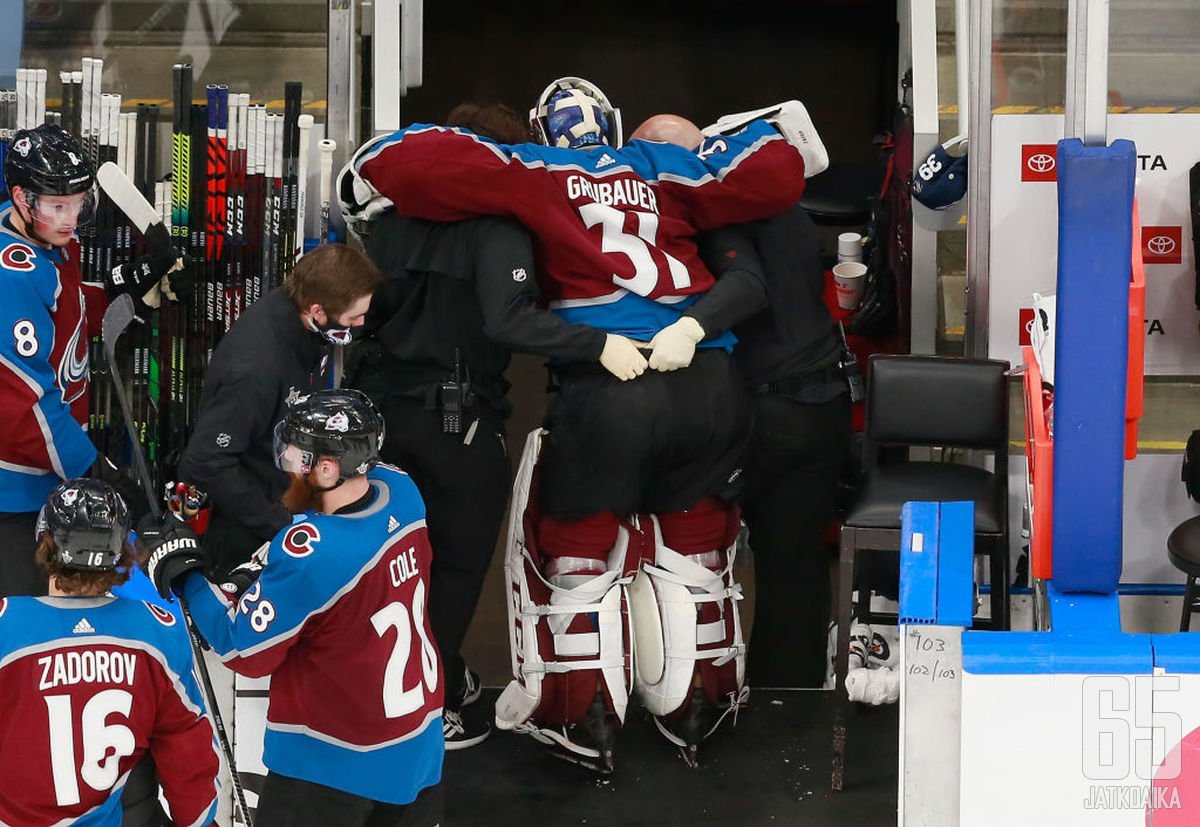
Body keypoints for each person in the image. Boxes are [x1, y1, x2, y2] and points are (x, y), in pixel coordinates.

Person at [340, 77, 825, 768]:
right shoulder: (667, 165)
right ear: (615, 122)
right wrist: (719, 139)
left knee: (572, 550)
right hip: (712, 383)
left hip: (609, 386)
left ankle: (579, 714)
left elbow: (398, 158)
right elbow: (779, 164)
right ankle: (700, 702)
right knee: (696, 545)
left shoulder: (532, 171)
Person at [348, 101, 648, 751]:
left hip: (374, 415)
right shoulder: (500, 229)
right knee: (453, 568)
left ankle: (397, 691)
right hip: (459, 423)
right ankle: (425, 708)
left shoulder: (386, 222)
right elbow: (507, 319)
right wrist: (600, 342)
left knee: (381, 565)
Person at [144, 389, 443, 826]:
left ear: (327, 468)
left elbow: (240, 649)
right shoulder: (401, 491)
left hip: (333, 763)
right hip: (417, 745)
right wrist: (262, 568)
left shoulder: (316, 556)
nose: (285, 462)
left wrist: (182, 570)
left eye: (296, 455)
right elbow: (323, 539)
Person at [633, 114, 853, 689]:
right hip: (822, 399)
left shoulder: (708, 211)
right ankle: (792, 695)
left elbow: (746, 288)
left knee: (695, 557)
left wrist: (680, 333)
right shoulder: (782, 201)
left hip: (759, 409)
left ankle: (700, 691)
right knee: (795, 562)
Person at [0, 123, 185, 596]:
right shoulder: (10, 278)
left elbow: (68, 304)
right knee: (25, 622)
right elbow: (26, 406)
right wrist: (93, 469)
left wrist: (126, 287)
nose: (69, 217)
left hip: (49, 474)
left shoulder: (49, 237)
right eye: (57, 206)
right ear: (22, 197)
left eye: (78, 203)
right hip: (12, 491)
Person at [0, 478, 221, 826]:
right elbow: (187, 750)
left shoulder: (7, 625)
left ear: (45, 541)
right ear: (121, 550)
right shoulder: (154, 630)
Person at [178, 243, 382, 579]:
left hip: (282, 494)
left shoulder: (307, 325)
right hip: (244, 529)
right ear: (317, 310)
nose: (361, 323)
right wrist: (280, 524)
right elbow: (204, 462)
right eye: (353, 317)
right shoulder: (257, 368)